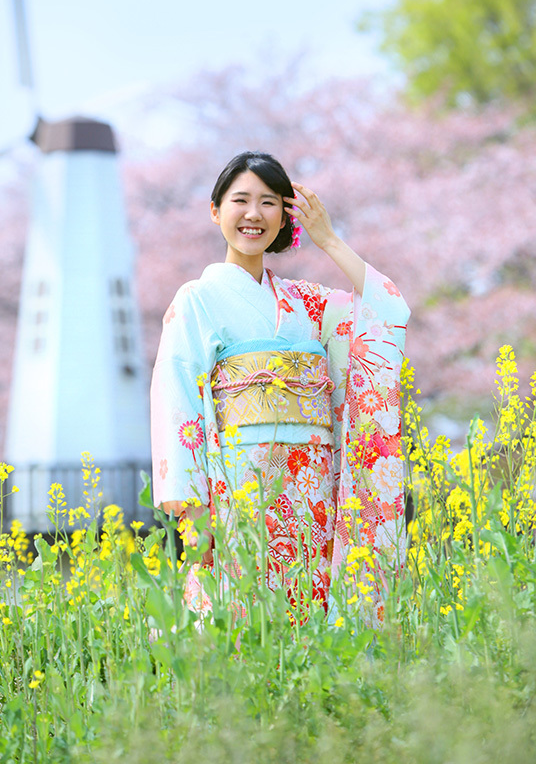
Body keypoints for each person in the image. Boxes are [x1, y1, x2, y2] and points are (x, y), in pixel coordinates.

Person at [150, 152, 410, 623]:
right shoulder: (197, 300)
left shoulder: (306, 304)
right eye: (241, 200)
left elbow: (387, 313)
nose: (254, 214)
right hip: (240, 489)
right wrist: (191, 511)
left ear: (285, 213)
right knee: (243, 614)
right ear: (216, 210)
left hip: (312, 488)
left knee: (311, 612)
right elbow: (177, 401)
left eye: (268, 202)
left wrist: (327, 239)